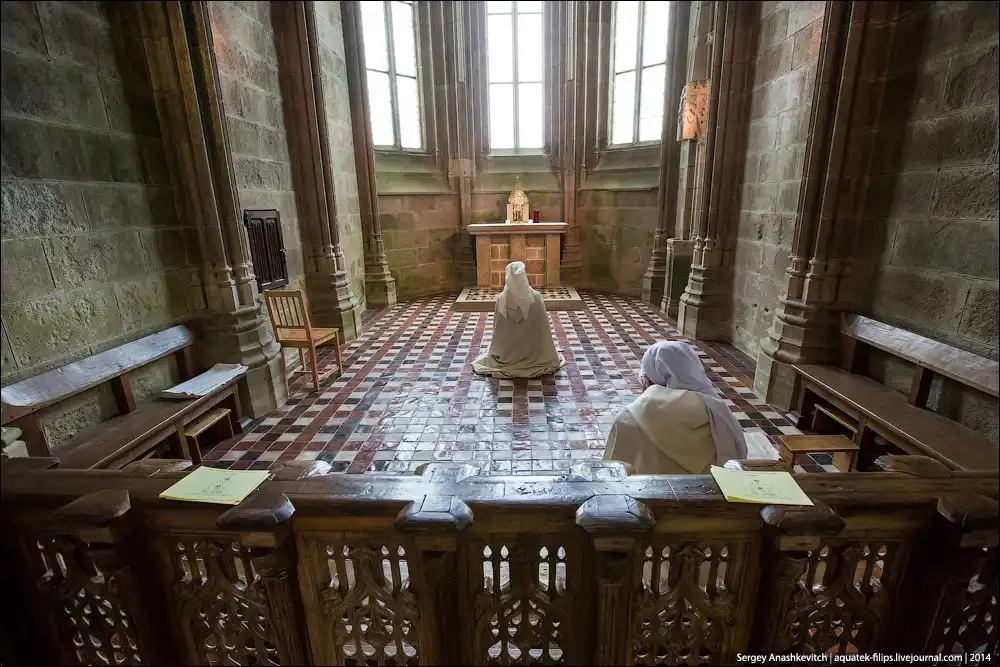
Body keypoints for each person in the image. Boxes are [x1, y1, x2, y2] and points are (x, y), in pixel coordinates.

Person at [603, 340, 748, 474]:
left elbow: (612, 474)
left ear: (648, 379)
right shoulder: (719, 414)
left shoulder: (627, 419)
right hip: (712, 493)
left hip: (647, 494)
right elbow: (738, 460)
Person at [472, 261, 564, 379]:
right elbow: (543, 331)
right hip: (535, 354)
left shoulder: (501, 300)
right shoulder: (536, 298)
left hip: (506, 354)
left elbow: (497, 332)